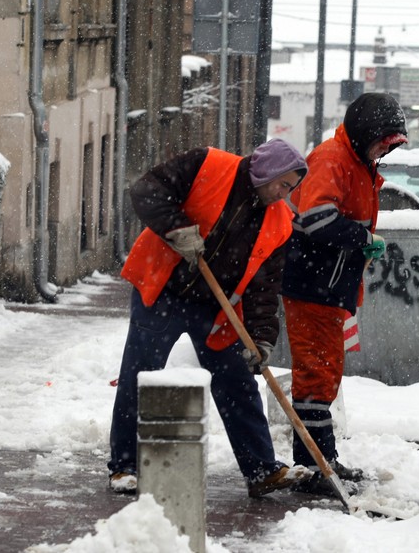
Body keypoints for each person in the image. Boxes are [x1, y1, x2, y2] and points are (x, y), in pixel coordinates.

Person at [108, 138, 313, 498]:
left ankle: (262, 469)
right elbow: (147, 190)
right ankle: (124, 466)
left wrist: (262, 339)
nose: (284, 194)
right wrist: (177, 228)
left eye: (291, 188)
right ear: (268, 171)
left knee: (237, 382)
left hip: (215, 307)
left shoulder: (280, 224)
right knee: (140, 374)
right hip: (162, 289)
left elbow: (264, 288)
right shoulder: (207, 164)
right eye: (283, 184)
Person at [280, 92, 408, 495]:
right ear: (363, 133)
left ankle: (321, 460)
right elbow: (317, 218)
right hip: (312, 284)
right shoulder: (333, 159)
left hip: (330, 286)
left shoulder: (357, 162)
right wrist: (362, 237)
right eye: (382, 143)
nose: (383, 153)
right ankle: (314, 465)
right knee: (316, 376)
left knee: (325, 374)